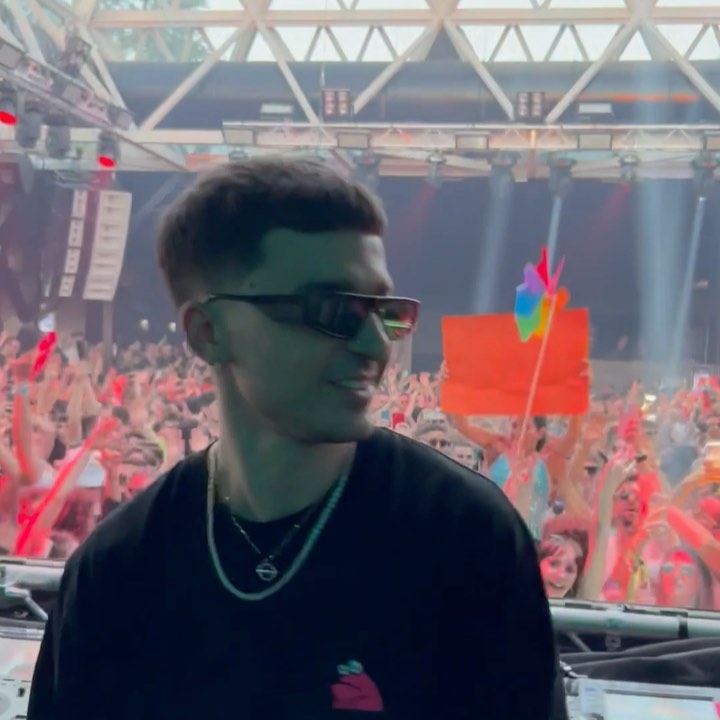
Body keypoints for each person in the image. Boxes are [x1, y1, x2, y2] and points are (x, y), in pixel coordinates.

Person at [28, 157, 557, 719]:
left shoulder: (467, 537)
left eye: (384, 312)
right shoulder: (118, 569)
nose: (377, 346)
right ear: (208, 333)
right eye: (331, 310)